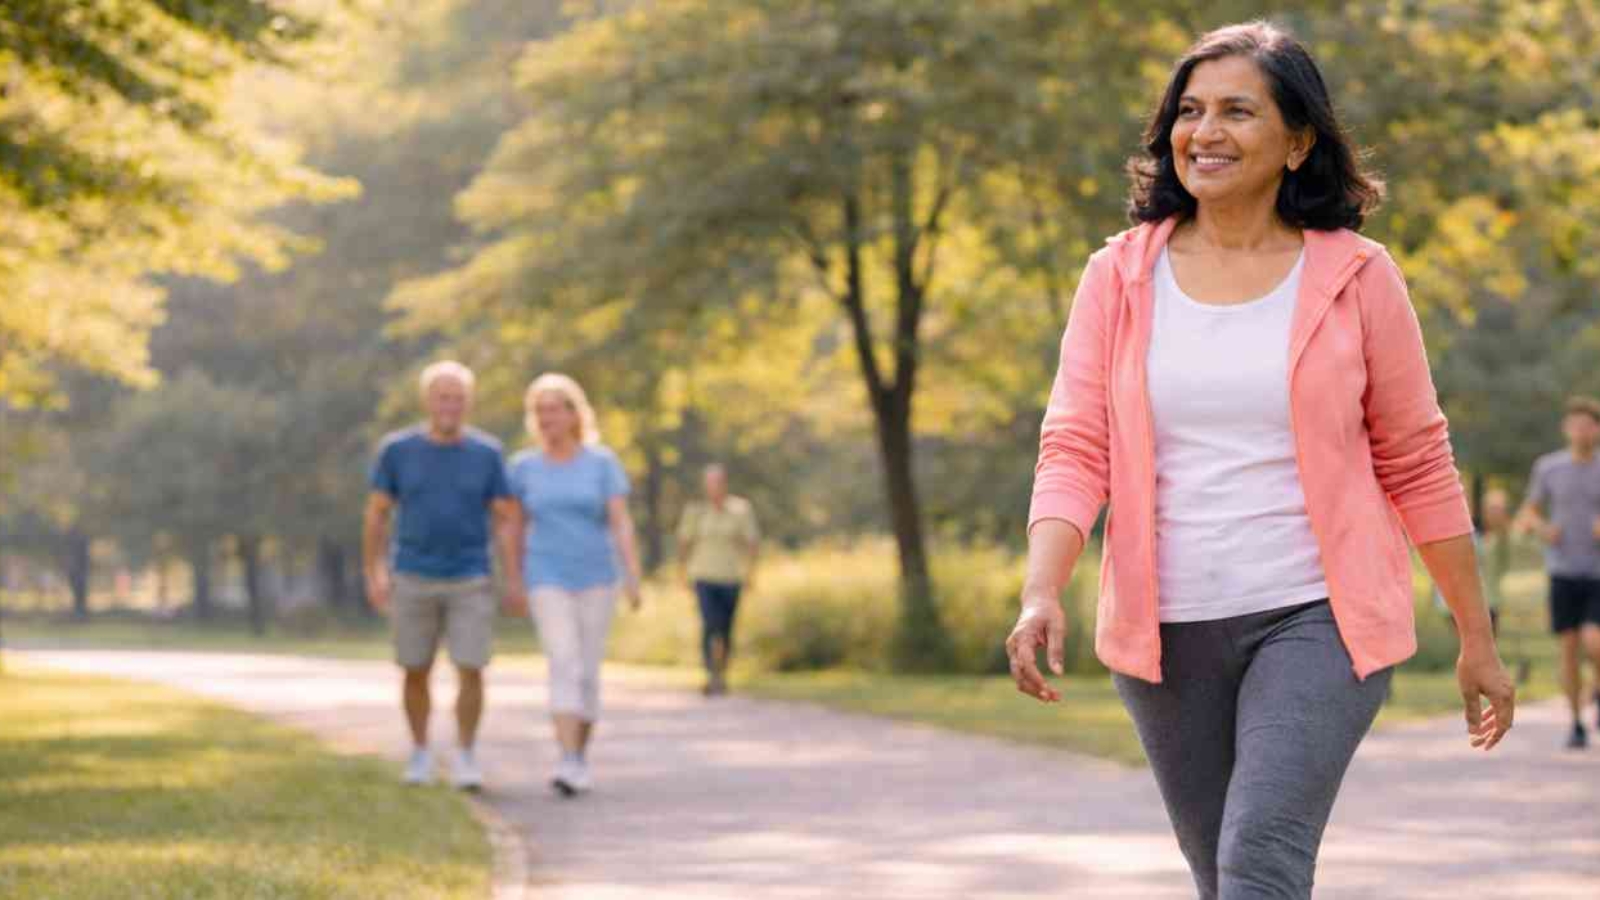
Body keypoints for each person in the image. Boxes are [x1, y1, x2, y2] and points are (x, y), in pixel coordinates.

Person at [1005, 22, 1514, 899]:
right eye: (1190, 111)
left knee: (1259, 860)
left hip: (1320, 618)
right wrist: (1042, 588)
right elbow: (1076, 444)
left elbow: (1419, 462)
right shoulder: (1118, 278)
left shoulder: (1358, 276)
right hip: (1166, 630)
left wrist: (1477, 638)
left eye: (1239, 111)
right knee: (1223, 877)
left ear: (1297, 141)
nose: (1206, 131)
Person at [362, 361, 527, 790]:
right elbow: (377, 515)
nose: (449, 404)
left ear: (468, 403)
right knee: (414, 668)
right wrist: (374, 571)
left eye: (457, 397)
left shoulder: (486, 454)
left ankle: (466, 754)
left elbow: (508, 519)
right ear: (427, 401)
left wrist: (513, 577)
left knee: (471, 667)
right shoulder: (397, 451)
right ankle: (419, 752)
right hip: (412, 575)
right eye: (442, 396)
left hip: (470, 575)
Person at [507, 373, 643, 797]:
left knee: (587, 670)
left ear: (573, 414)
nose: (546, 417)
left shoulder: (601, 463)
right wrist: (513, 578)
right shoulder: (523, 467)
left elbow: (620, 522)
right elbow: (513, 528)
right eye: (539, 410)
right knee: (562, 660)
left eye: (554, 409)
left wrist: (632, 575)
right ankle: (567, 759)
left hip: (597, 577)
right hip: (546, 575)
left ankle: (579, 756)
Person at [1515, 396, 1600, 749]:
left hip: (1597, 572)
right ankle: (1576, 721)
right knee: (1567, 648)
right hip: (1562, 571)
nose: (1581, 430)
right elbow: (1528, 513)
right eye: (1575, 424)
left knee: (1594, 641)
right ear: (1566, 428)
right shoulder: (1548, 468)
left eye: (1588, 424)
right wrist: (1542, 528)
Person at [676, 464, 761, 696]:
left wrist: (751, 572)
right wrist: (681, 572)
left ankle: (722, 673)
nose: (713, 487)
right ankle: (710, 673)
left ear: (724, 484)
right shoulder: (696, 511)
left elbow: (752, 542)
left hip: (731, 577)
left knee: (725, 628)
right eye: (709, 482)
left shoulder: (740, 509)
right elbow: (684, 542)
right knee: (709, 624)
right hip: (703, 576)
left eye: (717, 482)